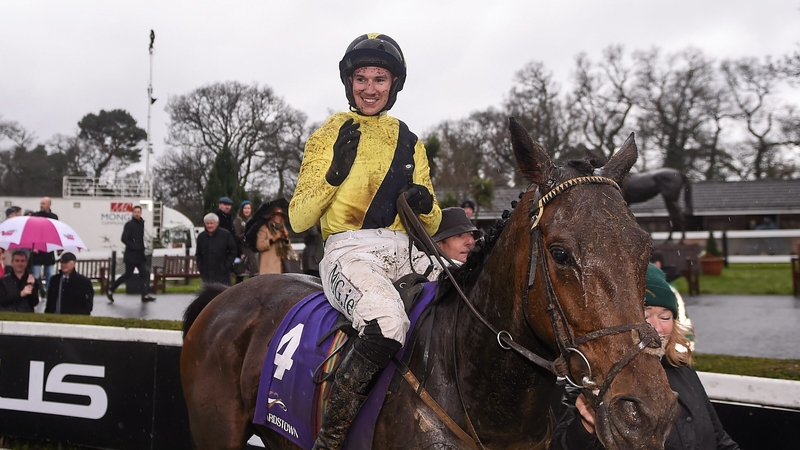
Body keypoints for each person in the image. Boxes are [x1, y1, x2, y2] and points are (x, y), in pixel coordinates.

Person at [288, 33, 441, 449]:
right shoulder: (328, 133)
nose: (369, 88)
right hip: (350, 252)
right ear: (349, 82)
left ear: (394, 84)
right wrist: (333, 174)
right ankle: (331, 437)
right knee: (387, 322)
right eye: (361, 78)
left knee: (475, 292)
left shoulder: (410, 140)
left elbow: (434, 219)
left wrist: (424, 201)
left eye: (379, 79)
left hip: (408, 251)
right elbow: (299, 218)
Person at [550, 263, 739, 450]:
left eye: (665, 317)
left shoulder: (681, 368)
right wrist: (585, 427)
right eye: (645, 316)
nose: (657, 329)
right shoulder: (593, 379)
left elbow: (719, 438)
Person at [107, 205, 156, 302]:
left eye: (138, 212)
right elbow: (124, 238)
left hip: (139, 255)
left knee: (144, 272)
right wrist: (135, 246)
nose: (137, 214)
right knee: (128, 274)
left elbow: (140, 238)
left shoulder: (141, 224)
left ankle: (144, 295)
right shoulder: (129, 225)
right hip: (131, 255)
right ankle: (111, 289)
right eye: (135, 212)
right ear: (132, 213)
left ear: (141, 213)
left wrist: (141, 248)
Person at [246, 198, 299, 275]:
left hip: (281, 265)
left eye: (280, 215)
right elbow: (259, 245)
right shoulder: (265, 228)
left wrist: (286, 238)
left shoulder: (283, 229)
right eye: (276, 215)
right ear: (272, 216)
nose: (279, 217)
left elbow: (288, 247)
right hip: (268, 266)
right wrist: (273, 239)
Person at [196, 213, 237, 285]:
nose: (209, 225)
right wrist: (201, 267)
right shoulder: (201, 237)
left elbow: (232, 251)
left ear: (217, 223)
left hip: (222, 273)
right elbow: (198, 254)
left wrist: (226, 265)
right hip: (206, 273)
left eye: (211, 223)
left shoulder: (226, 235)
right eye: (207, 223)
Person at [30, 196, 58, 295]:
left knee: (50, 274)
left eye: (43, 203)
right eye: (41, 203)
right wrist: (33, 246)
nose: (41, 205)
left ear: (49, 205)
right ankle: (35, 293)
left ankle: (49, 293)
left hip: (48, 249)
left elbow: (55, 232)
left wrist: (58, 247)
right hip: (37, 249)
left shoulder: (54, 217)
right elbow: (31, 232)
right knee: (35, 275)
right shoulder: (35, 215)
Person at [233, 200, 259, 283]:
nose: (247, 210)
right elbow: (237, 235)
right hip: (243, 248)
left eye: (249, 208)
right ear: (242, 209)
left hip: (252, 247)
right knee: (241, 272)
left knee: (254, 271)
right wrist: (246, 236)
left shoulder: (253, 220)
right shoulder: (238, 220)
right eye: (245, 208)